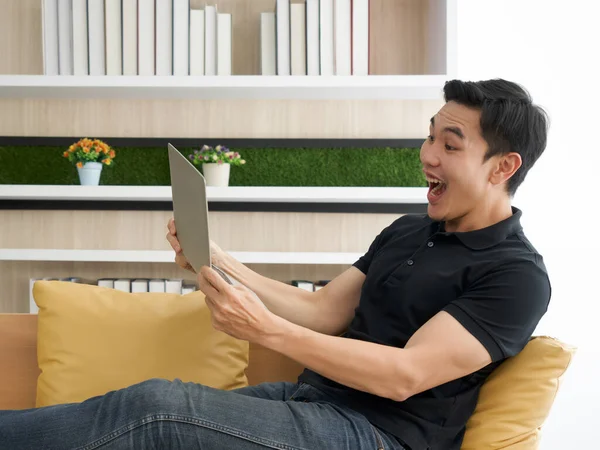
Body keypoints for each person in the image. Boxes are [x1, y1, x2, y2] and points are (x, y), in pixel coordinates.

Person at [0, 79, 550, 450]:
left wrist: (267, 330)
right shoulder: (410, 230)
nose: (428, 154)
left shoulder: (516, 274)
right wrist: (215, 259)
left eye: (450, 146)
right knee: (143, 405)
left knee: (157, 411)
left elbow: (405, 376)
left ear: (503, 166)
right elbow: (321, 311)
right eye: (430, 135)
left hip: (376, 434)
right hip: (312, 399)